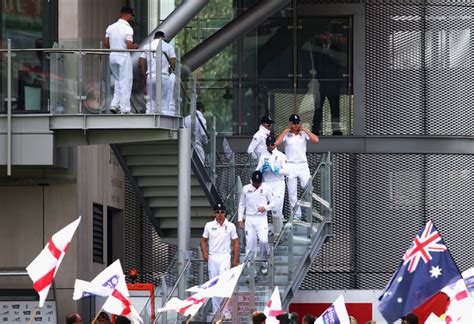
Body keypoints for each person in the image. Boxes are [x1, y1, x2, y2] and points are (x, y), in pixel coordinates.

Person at [275, 114, 319, 221]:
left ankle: (309, 212)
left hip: (302, 164)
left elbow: (316, 140)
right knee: (292, 193)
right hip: (290, 165)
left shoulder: (303, 133)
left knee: (308, 187)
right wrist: (285, 131)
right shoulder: (287, 134)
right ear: (290, 123)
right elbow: (276, 142)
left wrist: (305, 130)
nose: (295, 125)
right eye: (293, 123)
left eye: (297, 123)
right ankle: (296, 216)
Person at [201, 202, 239, 315]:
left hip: (225, 257)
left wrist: (235, 259)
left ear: (225, 213)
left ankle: (226, 312)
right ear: (214, 213)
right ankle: (216, 312)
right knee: (213, 284)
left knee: (223, 283)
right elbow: (203, 240)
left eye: (222, 212)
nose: (220, 214)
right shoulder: (209, 225)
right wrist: (204, 253)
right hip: (212, 257)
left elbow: (236, 243)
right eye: (217, 212)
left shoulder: (231, 226)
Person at [311, 29, 346, 135]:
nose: (325, 38)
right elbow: (314, 64)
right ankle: (316, 130)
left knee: (335, 108)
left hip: (333, 83)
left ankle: (336, 129)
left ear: (330, 36)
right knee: (318, 107)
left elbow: (341, 63)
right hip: (320, 84)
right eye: (323, 35)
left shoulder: (337, 49)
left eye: (327, 35)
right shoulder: (316, 48)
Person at [238, 170, 275, 273]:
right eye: (255, 183)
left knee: (263, 240)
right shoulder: (246, 189)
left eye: (259, 183)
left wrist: (265, 207)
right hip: (249, 218)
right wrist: (240, 219)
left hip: (261, 218)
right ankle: (250, 266)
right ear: (252, 181)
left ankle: (264, 262)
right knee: (250, 243)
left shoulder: (266, 188)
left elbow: (273, 202)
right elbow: (241, 204)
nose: (257, 185)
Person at [104, 6, 139, 115]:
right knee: (126, 82)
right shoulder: (128, 28)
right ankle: (125, 109)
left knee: (118, 81)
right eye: (131, 16)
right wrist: (135, 47)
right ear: (128, 15)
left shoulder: (110, 27)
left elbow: (106, 44)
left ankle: (114, 104)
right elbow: (129, 45)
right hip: (123, 56)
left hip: (113, 56)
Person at [256, 135, 288, 237]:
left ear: (275, 144)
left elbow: (288, 171)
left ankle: (278, 234)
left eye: (272, 144)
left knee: (277, 208)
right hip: (266, 184)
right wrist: (261, 170)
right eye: (268, 145)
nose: (270, 147)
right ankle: (263, 232)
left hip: (278, 184)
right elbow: (257, 170)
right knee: (264, 208)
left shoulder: (281, 156)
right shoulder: (263, 156)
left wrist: (277, 170)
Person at [139, 31, 176, 115]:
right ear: (163, 37)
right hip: (163, 76)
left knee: (150, 100)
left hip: (150, 76)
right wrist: (170, 69)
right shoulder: (168, 47)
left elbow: (140, 63)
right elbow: (173, 62)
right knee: (163, 100)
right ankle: (163, 118)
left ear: (154, 37)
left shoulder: (147, 46)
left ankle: (149, 115)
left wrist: (145, 76)